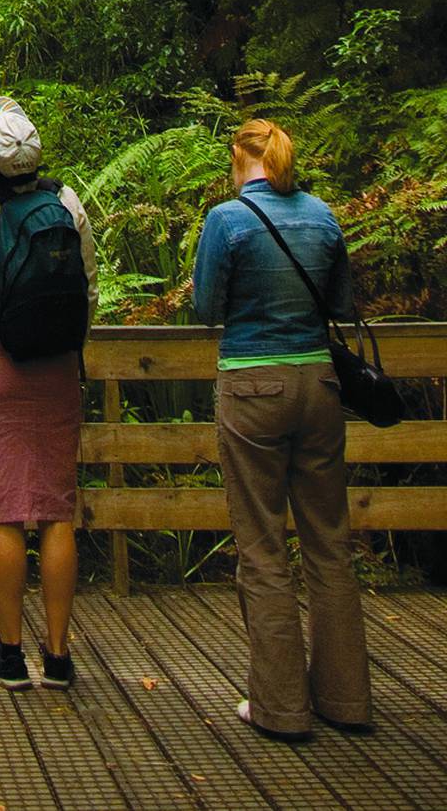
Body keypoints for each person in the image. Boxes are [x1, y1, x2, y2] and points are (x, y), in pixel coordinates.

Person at [192, 117, 373, 741]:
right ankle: (346, 699)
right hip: (319, 385)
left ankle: (281, 706)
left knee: (263, 547)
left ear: (242, 160)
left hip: (252, 385)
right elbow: (343, 305)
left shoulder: (227, 219)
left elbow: (206, 308)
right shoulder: (323, 215)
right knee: (329, 541)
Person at [0, 95, 98, 691]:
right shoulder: (67, 203)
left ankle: (9, 654)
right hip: (57, 366)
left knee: (4, 512)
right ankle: (58, 657)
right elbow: (85, 287)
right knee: (57, 508)